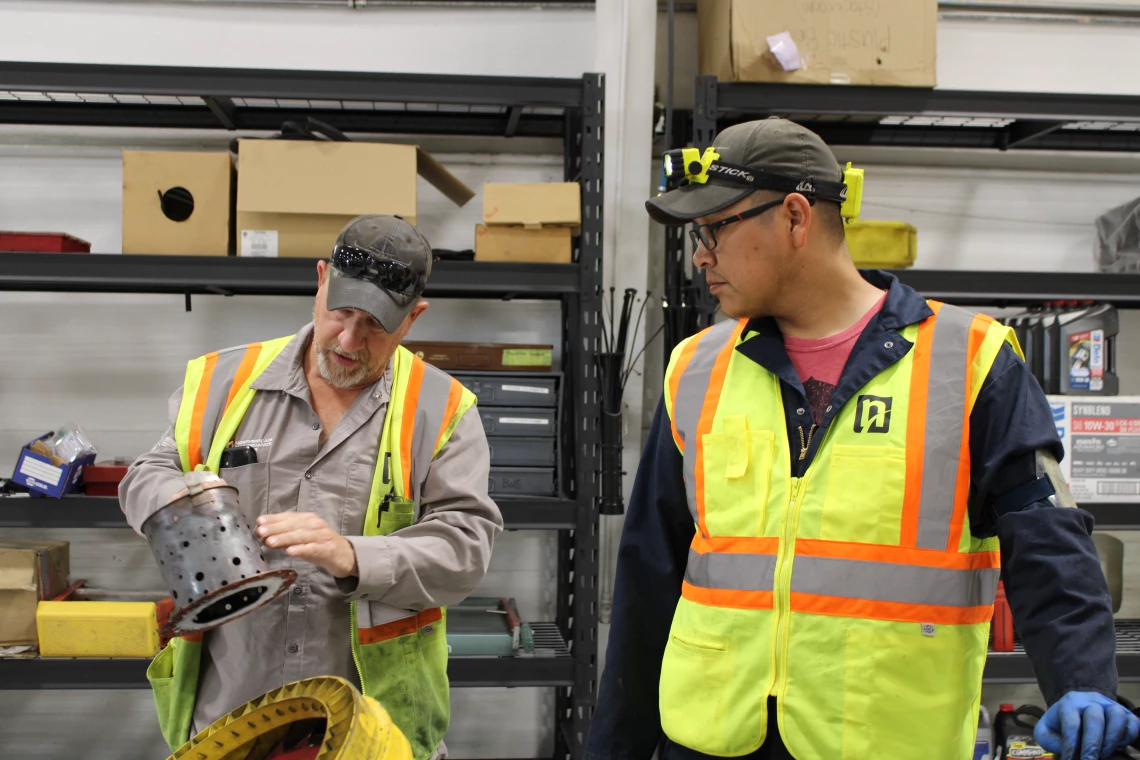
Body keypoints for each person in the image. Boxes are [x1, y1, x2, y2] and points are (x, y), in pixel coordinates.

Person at [586, 119, 1140, 760]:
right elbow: (648, 576)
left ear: (795, 217)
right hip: (713, 739)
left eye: (714, 228)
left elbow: (1046, 534)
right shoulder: (697, 367)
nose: (700, 254)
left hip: (884, 741)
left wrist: (1080, 682)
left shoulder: (971, 362)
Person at [120, 214, 502, 760]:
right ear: (320, 279)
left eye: (374, 324)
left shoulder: (441, 410)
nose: (348, 339)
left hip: (370, 729)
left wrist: (352, 555)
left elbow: (464, 549)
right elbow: (145, 476)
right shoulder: (223, 382)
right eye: (340, 312)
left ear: (413, 317)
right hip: (233, 718)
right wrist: (173, 499)